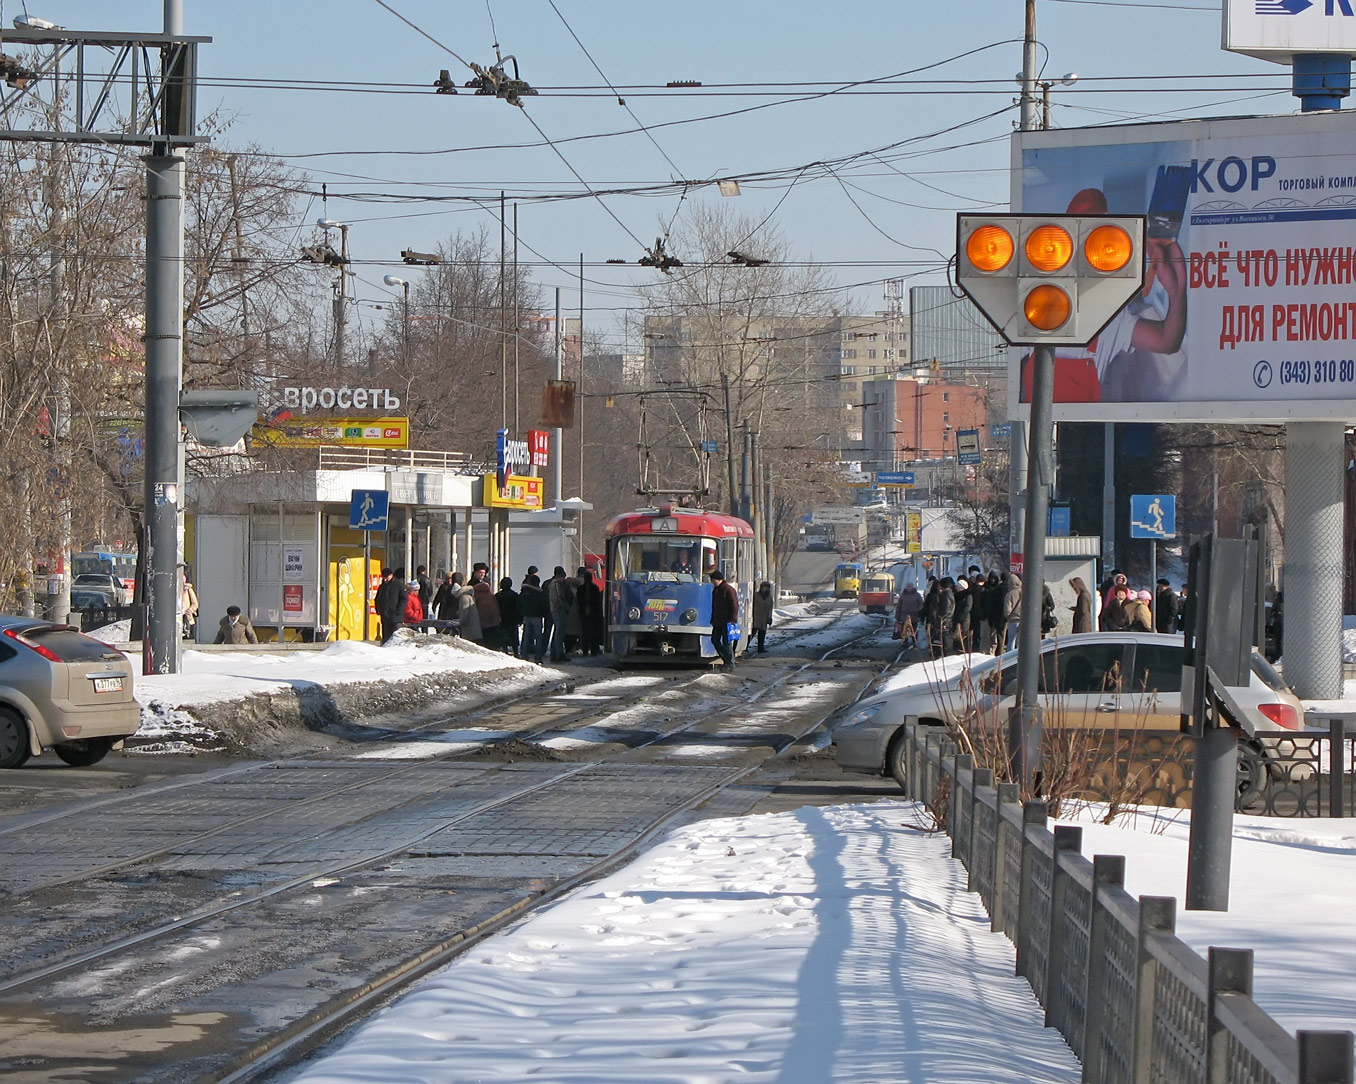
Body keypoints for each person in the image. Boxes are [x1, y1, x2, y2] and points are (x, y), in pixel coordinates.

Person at [709, 568, 738, 669]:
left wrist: (732, 619)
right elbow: (715, 607)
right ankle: (726, 659)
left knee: (727, 642)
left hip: (727, 621)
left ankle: (730, 663)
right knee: (715, 640)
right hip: (718, 621)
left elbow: (734, 605)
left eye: (713, 580)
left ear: (719, 580)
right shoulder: (716, 590)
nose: (712, 582)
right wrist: (713, 619)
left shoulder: (728, 590)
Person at [518, 569, 550, 663]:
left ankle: (524, 654)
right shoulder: (539, 593)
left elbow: (519, 603)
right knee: (538, 637)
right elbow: (544, 605)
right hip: (537, 616)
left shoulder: (524, 592)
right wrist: (544, 614)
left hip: (527, 615)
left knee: (526, 636)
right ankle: (538, 657)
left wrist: (522, 612)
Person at [546, 566, 576, 662]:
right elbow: (560, 598)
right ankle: (558, 655)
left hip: (555, 610)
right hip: (559, 610)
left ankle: (555, 654)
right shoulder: (557, 584)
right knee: (559, 633)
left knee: (557, 633)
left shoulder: (552, 584)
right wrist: (566, 607)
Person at [576, 566, 606, 656]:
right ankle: (594, 649)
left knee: (585, 631)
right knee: (593, 631)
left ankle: (585, 649)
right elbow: (597, 601)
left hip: (583, 612)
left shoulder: (580, 589)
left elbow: (578, 600)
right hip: (594, 613)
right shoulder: (595, 588)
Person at [374, 567, 404, 643]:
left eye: (386, 577)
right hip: (385, 616)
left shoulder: (398, 585)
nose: (385, 579)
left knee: (396, 638)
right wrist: (379, 609)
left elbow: (404, 599)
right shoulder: (382, 586)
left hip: (396, 617)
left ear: (391, 575)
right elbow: (377, 599)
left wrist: (398, 610)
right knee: (386, 638)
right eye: (383, 577)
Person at [450, 572, 482, 643]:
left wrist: (461, 620)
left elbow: (465, 612)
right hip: (474, 627)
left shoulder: (463, 598)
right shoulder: (468, 595)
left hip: (470, 629)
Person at [495, 576, 522, 655]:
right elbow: (518, 607)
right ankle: (515, 652)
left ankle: (505, 650)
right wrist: (519, 618)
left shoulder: (497, 595)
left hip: (502, 618)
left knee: (504, 635)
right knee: (513, 636)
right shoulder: (514, 595)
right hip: (512, 618)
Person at [474, 575, 501, 646]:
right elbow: (495, 605)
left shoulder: (476, 593)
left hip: (482, 618)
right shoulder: (490, 593)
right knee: (492, 637)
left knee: (485, 637)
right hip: (493, 618)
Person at [894, 582, 922, 648]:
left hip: (914, 615)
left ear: (913, 587)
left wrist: (918, 611)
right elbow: (899, 605)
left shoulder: (917, 595)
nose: (909, 588)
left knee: (914, 629)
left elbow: (921, 604)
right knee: (905, 629)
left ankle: (914, 641)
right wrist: (897, 616)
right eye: (908, 587)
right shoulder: (903, 595)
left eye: (910, 586)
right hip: (904, 615)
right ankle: (905, 641)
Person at [751, 580, 774, 653]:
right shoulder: (755, 596)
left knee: (762, 634)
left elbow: (770, 609)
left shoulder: (769, 598)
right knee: (752, 633)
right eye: (765, 587)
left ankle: (760, 648)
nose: (766, 589)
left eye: (767, 588)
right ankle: (746, 647)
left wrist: (769, 618)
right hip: (755, 617)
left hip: (764, 618)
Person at [1001, 572, 1023, 651]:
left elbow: (1007, 609)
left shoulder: (1009, 594)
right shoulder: (1024, 592)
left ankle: (1010, 655)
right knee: (1020, 641)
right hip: (1023, 619)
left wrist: (1007, 617)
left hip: (1013, 620)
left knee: (1011, 640)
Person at [180, 576, 199, 640]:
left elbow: (195, 603)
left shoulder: (188, 590)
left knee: (187, 638)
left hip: (187, 618)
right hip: (176, 617)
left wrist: (189, 611)